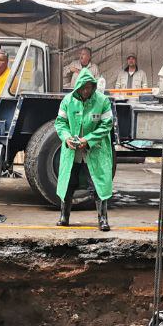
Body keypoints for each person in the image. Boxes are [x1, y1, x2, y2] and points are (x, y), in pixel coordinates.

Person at [55, 68, 115, 231]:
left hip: (94, 151)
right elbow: (60, 123)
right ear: (78, 87)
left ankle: (103, 219)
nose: (87, 90)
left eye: (90, 87)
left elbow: (107, 125)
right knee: (68, 183)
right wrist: (67, 137)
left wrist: (87, 140)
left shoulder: (102, 101)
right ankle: (64, 216)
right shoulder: (67, 101)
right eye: (84, 87)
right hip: (72, 151)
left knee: (98, 185)